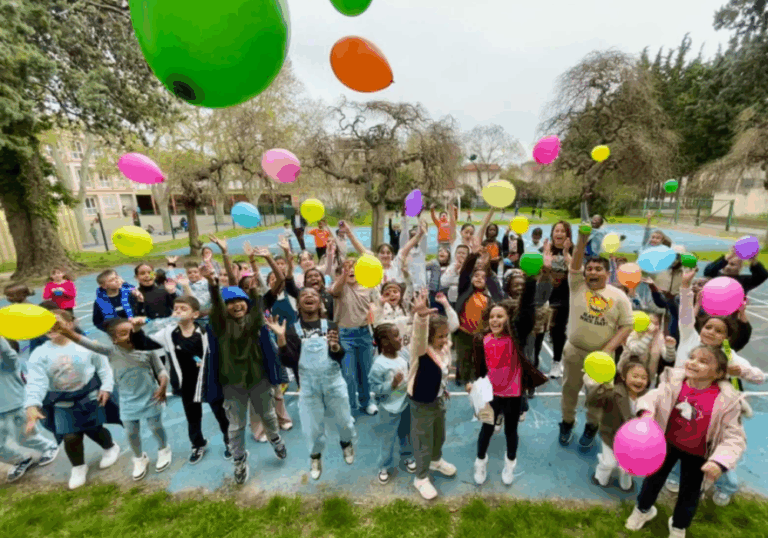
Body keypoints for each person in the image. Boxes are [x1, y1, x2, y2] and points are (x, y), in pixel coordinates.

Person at [624, 346, 746, 537]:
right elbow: (653, 396)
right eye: (692, 357)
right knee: (652, 480)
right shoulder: (674, 381)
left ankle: (679, 525)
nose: (693, 362)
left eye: (703, 361)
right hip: (666, 444)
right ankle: (643, 510)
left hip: (698, 454)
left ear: (719, 373)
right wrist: (647, 412)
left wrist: (719, 461)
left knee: (690, 493)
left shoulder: (727, 400)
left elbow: (734, 436)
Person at [204, 246, 287, 485]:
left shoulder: (255, 321)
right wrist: (212, 284)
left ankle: (275, 439)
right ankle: (239, 459)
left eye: (241, 301)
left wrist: (266, 260)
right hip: (232, 385)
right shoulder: (219, 326)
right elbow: (219, 304)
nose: (236, 305)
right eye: (231, 302)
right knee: (236, 426)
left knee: (269, 417)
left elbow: (273, 286)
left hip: (258, 380)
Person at [55, 315, 173, 481]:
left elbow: (161, 371)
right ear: (114, 339)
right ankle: (139, 458)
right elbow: (82, 341)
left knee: (155, 427)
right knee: (132, 432)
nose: (130, 336)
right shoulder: (110, 351)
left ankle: (163, 449)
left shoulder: (147, 350)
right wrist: (64, 330)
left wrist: (163, 384)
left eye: (132, 332)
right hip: (127, 401)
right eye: (124, 333)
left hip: (151, 397)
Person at [24, 310, 121, 490]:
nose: (52, 327)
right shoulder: (40, 353)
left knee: (94, 429)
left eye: (57, 323)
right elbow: (36, 381)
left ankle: (110, 447)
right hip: (62, 402)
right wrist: (32, 404)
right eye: (46, 323)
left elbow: (103, 367)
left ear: (70, 323)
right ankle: (78, 466)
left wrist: (106, 387)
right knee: (70, 436)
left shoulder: (86, 345)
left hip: (89, 396)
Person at [559, 223, 633, 449]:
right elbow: (575, 265)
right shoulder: (577, 286)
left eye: (597, 269)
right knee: (569, 390)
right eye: (589, 269)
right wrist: (582, 239)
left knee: (597, 397)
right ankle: (567, 422)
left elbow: (627, 325)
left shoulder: (619, 296)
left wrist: (608, 349)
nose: (592, 272)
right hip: (574, 350)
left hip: (601, 357)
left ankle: (592, 426)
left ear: (607, 274)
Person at [269, 287, 355, 480]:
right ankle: (315, 456)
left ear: (320, 302)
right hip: (307, 386)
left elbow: (340, 356)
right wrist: (281, 339)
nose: (309, 296)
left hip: (333, 382)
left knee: (345, 421)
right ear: (298, 304)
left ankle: (346, 443)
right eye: (304, 295)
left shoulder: (331, 325)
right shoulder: (290, 330)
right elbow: (289, 362)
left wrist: (335, 347)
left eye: (314, 294)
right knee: (311, 428)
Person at [468, 300, 548, 486]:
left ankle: (510, 465)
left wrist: (531, 279)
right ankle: (480, 462)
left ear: (509, 319)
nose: (495, 320)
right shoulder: (482, 340)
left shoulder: (515, 339)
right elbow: (479, 368)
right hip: (491, 396)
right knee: (486, 429)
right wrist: (474, 385)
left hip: (513, 395)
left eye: (500, 316)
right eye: (492, 316)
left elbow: (527, 313)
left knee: (511, 431)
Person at [148, 295, 232, 463]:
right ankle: (198, 444)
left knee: (221, 414)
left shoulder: (206, 332)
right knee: (192, 417)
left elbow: (218, 353)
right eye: (176, 308)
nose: (178, 311)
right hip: (186, 384)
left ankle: (230, 441)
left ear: (195, 314)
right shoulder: (166, 333)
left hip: (209, 381)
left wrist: (207, 364)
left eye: (183, 309)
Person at [407, 294, 457, 500]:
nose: (445, 340)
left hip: (437, 400)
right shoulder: (421, 350)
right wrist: (421, 317)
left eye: (446, 336)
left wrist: (445, 304)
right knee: (422, 441)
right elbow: (419, 335)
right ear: (429, 337)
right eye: (440, 336)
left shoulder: (444, 347)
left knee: (439, 435)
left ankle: (436, 460)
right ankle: (420, 477)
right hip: (421, 403)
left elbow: (453, 325)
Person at [0, 336, 59, 483]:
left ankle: (49, 447)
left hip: (16, 407)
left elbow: (9, 353)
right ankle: (20, 460)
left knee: (25, 437)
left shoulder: (8, 365)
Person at [586, 360, 650, 492]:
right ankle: (600, 475)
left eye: (644, 378)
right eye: (635, 376)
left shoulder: (648, 396)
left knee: (627, 467)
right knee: (609, 463)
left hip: (632, 441)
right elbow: (592, 401)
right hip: (611, 435)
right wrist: (600, 385)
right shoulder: (614, 393)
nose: (639, 380)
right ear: (624, 377)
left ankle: (626, 481)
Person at [330, 259, 379, 416]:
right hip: (345, 336)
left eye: (354, 268)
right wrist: (343, 275)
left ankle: (366, 402)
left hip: (364, 334)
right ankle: (351, 407)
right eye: (347, 269)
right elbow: (333, 291)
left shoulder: (367, 287)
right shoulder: (340, 288)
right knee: (349, 375)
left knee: (365, 372)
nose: (351, 271)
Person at [369, 323, 417, 483]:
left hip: (405, 404)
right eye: (396, 336)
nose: (400, 338)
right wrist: (392, 385)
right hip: (389, 408)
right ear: (384, 342)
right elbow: (375, 388)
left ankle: (408, 456)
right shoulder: (379, 364)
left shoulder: (403, 354)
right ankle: (384, 466)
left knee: (406, 433)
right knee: (388, 439)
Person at [703, 246, 768, 295]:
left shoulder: (744, 281)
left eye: (732, 264)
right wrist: (728, 257)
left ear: (740, 267)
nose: (727, 266)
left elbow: (763, 276)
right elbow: (707, 271)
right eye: (726, 263)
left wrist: (753, 260)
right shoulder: (717, 276)